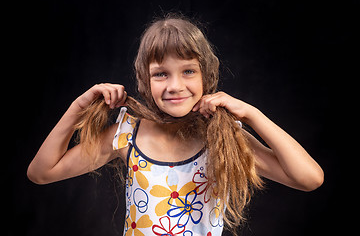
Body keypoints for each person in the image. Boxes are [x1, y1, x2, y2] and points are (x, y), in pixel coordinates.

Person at [27, 15, 324, 236]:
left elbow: (309, 178)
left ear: (205, 76)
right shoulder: (126, 133)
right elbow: (42, 173)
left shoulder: (223, 135)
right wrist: (78, 107)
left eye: (188, 71)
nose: (175, 85)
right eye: (161, 74)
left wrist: (252, 116)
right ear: (145, 79)